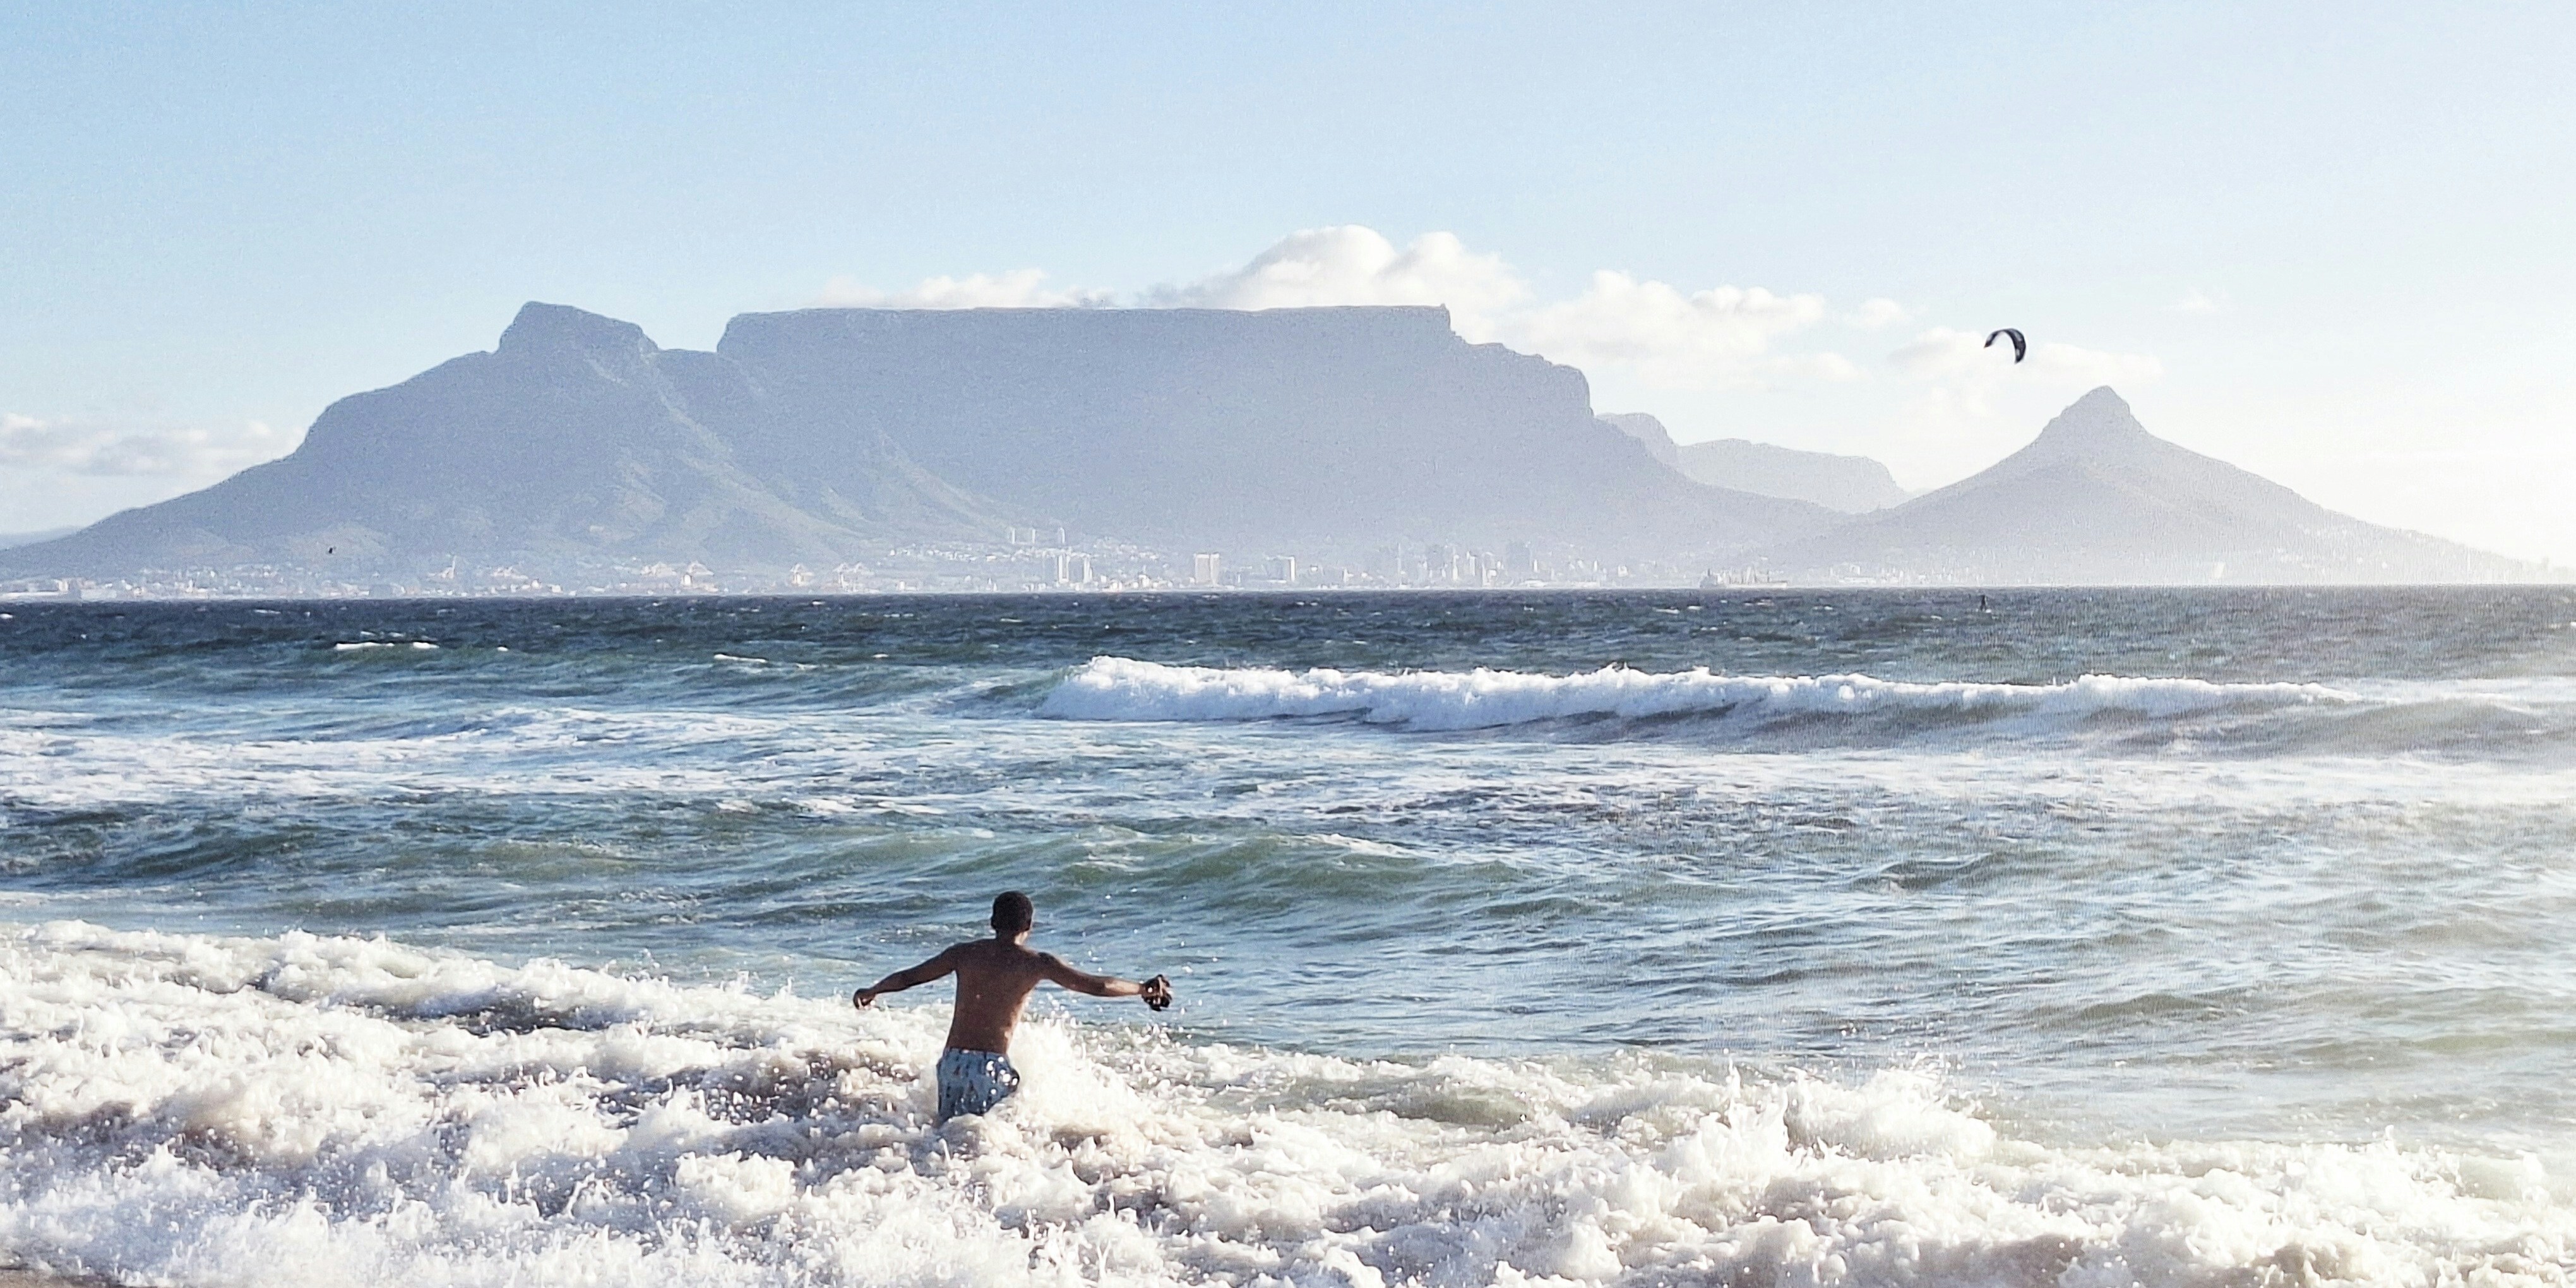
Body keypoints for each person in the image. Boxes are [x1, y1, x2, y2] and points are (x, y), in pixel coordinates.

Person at [854, 890, 1173, 1121]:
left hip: (951, 1064)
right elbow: (1097, 986)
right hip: (989, 1068)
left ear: (992, 922)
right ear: (1029, 927)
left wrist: (874, 990)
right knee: (986, 1146)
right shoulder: (1035, 963)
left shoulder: (964, 953)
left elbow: (910, 977)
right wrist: (1142, 989)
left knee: (947, 1139)